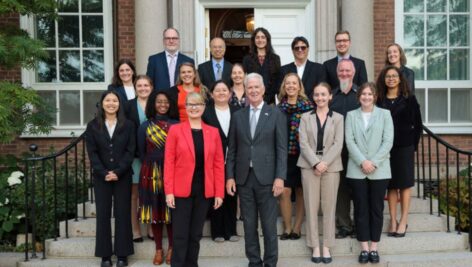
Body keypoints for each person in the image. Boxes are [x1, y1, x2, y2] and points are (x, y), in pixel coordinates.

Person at [226, 73, 287, 267]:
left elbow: (281, 149)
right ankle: (254, 261)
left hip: (268, 179)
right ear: (245, 90)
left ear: (263, 90)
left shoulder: (276, 114)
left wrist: (280, 177)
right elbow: (232, 150)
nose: (253, 90)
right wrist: (230, 177)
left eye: (256, 87)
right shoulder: (237, 116)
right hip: (244, 179)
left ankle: (270, 263)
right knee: (249, 225)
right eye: (249, 87)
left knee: (269, 226)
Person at [164, 92, 225, 267]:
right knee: (180, 235)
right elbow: (168, 162)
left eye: (198, 104)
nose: (194, 107)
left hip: (204, 191)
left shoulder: (212, 132)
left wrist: (219, 193)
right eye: (190, 104)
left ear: (204, 107)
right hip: (180, 191)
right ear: (185, 107)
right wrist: (169, 191)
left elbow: (218, 164)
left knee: (195, 235)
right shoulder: (175, 130)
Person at [344, 82, 394, 264]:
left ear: (375, 96)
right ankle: (364, 247)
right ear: (359, 97)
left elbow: (388, 141)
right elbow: (349, 141)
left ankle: (374, 247)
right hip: (357, 170)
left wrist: (372, 162)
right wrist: (362, 162)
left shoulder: (385, 115)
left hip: (379, 170)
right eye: (363, 94)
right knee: (360, 209)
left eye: (369, 94)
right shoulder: (351, 116)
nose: (366, 97)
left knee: (377, 209)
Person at [85, 91, 135, 267]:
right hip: (101, 177)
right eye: (108, 100)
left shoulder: (128, 125)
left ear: (119, 104)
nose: (111, 103)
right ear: (102, 103)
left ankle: (122, 254)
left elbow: (131, 151)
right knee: (103, 215)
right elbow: (92, 152)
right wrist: (103, 172)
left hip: (123, 176)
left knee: (123, 214)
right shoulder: (92, 126)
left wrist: (119, 171)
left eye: (115, 100)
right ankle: (105, 255)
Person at [297, 82, 344, 264]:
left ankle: (327, 246)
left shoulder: (338, 118)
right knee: (311, 206)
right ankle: (315, 245)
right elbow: (303, 144)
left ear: (330, 96)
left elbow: (338, 143)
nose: (320, 98)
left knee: (329, 207)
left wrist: (324, 163)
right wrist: (316, 163)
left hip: (331, 167)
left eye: (324, 94)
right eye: (317, 95)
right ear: (313, 97)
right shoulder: (305, 117)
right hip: (309, 166)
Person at [376, 66, 422, 238]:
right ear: (384, 79)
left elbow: (418, 125)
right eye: (388, 76)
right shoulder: (379, 100)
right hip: (385, 149)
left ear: (400, 79)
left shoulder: (409, 99)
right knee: (391, 185)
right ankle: (393, 220)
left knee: (404, 184)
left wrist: (413, 146)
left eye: (394, 76)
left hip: (404, 147)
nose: (391, 79)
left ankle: (403, 220)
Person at [137, 90, 178, 265]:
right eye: (159, 101)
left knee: (170, 211)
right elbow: (140, 151)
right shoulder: (145, 126)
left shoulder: (177, 125)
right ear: (153, 103)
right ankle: (159, 249)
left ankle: (172, 249)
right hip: (150, 172)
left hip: (173, 172)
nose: (162, 104)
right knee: (155, 212)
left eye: (166, 101)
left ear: (171, 104)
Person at [277, 73, 314, 241]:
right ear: (284, 87)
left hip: (303, 155)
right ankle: (287, 227)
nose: (291, 86)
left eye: (294, 83)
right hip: (284, 156)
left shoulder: (309, 107)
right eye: (288, 83)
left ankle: (297, 227)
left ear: (299, 86)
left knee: (301, 191)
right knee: (284, 191)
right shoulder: (277, 109)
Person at [202, 80, 240, 242]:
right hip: (212, 158)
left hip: (234, 157)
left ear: (230, 94)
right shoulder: (206, 112)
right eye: (217, 90)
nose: (221, 93)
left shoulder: (238, 111)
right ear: (211, 94)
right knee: (216, 192)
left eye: (225, 90)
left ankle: (231, 231)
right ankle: (217, 231)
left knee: (231, 193)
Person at [329, 59, 360, 239]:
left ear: (353, 73)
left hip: (357, 151)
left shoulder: (361, 95)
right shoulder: (332, 96)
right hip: (337, 152)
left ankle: (358, 224)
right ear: (337, 73)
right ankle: (344, 225)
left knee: (357, 188)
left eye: (348, 71)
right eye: (341, 71)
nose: (344, 74)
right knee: (340, 190)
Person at [125, 75, 153, 243]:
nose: (143, 88)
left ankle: (150, 227)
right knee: (134, 195)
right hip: (135, 156)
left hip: (153, 156)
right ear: (135, 88)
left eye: (146, 85)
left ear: (151, 87)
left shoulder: (157, 104)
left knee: (150, 193)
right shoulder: (128, 106)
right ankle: (135, 230)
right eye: (139, 85)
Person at [243, 28, 281, 104]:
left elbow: (276, 81)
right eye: (257, 37)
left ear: (267, 40)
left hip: (270, 102)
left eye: (263, 37)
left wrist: (266, 98)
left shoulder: (275, 58)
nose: (260, 40)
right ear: (254, 40)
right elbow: (245, 80)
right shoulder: (247, 59)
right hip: (252, 99)